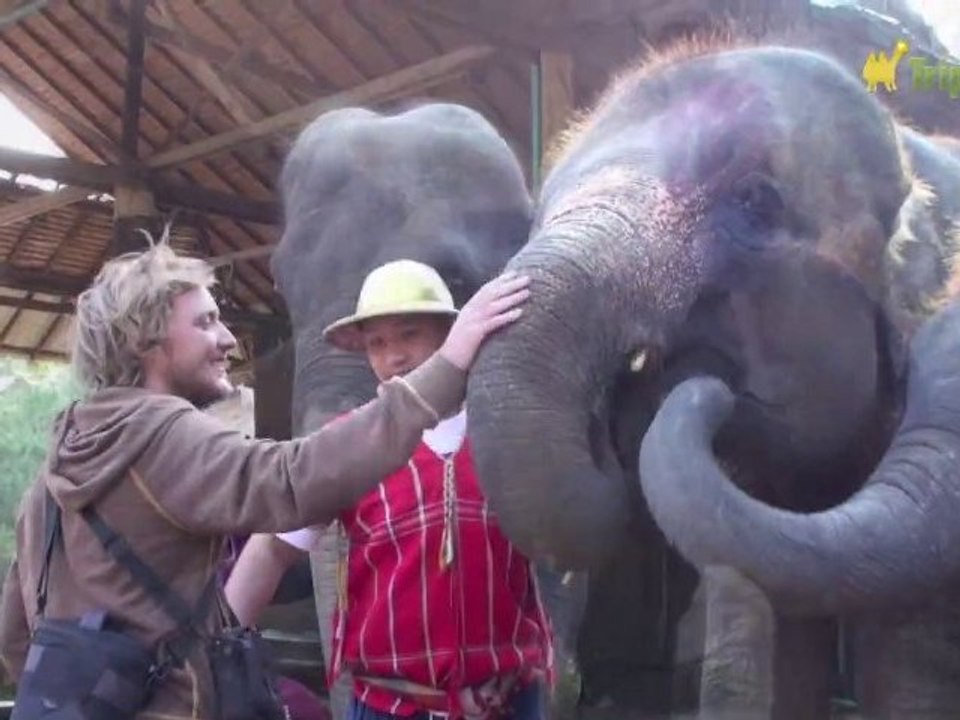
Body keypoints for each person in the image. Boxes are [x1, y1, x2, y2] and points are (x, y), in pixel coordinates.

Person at [0, 241, 529, 720]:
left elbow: (16, 635)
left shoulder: (57, 466)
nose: (228, 339)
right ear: (148, 342)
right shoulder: (167, 435)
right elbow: (293, 479)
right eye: (205, 323)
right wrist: (452, 361)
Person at [225, 260, 554, 720]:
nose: (393, 356)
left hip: (507, 701)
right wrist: (215, 654)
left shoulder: (506, 432)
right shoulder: (349, 446)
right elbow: (271, 551)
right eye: (376, 343)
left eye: (409, 334)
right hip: (391, 705)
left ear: (449, 335)